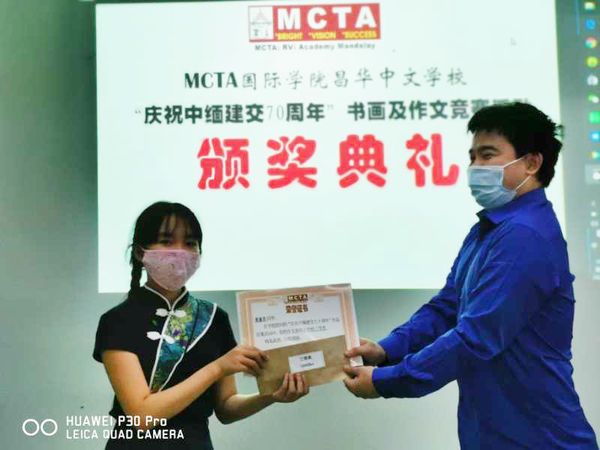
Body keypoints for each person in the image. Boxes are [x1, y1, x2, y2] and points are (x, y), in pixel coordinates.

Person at [342, 103, 598, 449]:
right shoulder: (489, 229)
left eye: (487, 155)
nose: (475, 167)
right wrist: (386, 350)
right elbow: (446, 308)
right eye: (472, 157)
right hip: (495, 434)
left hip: (539, 437)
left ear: (532, 163)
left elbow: (476, 337)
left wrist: (387, 380)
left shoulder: (525, 235)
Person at [93, 202, 308, 449]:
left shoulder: (214, 317)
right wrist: (217, 368)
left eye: (190, 243)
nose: (180, 252)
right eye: (166, 241)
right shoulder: (118, 320)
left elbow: (226, 407)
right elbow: (142, 416)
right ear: (141, 253)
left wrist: (270, 396)